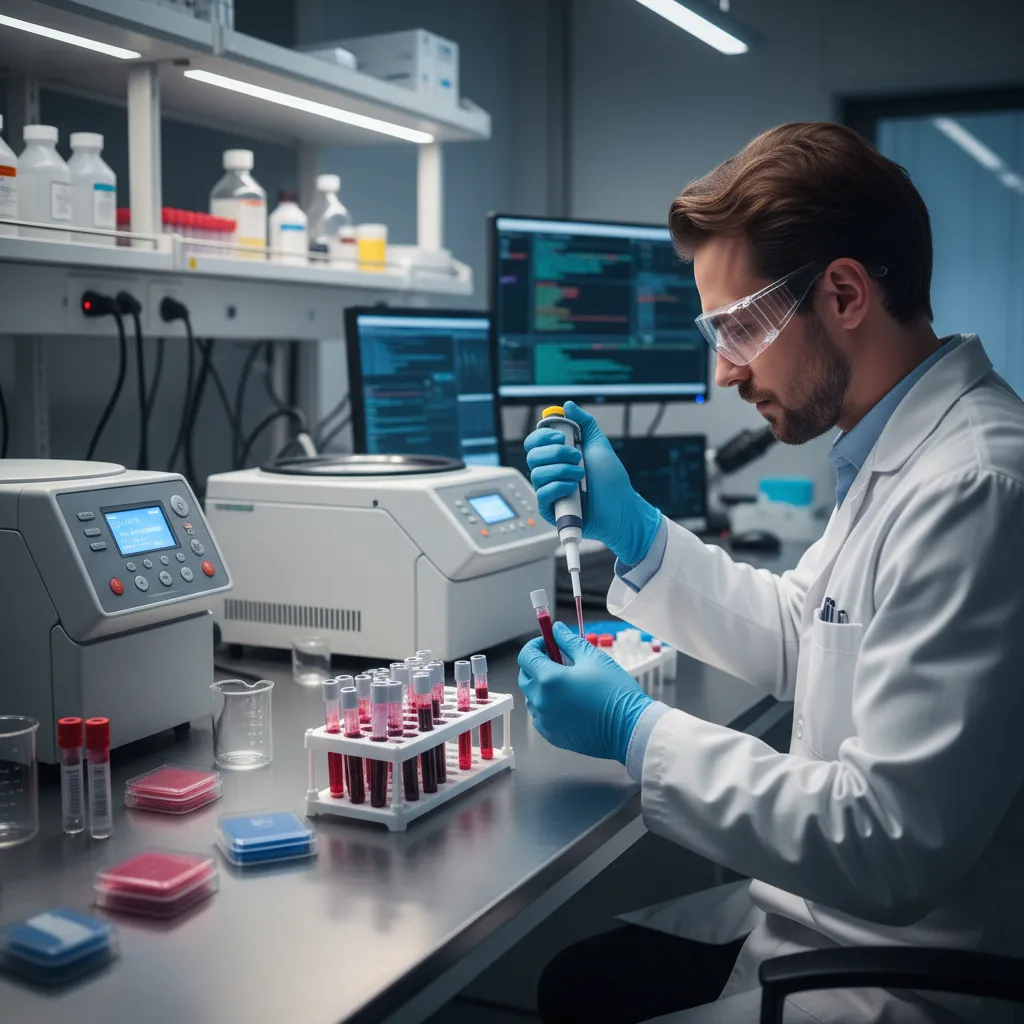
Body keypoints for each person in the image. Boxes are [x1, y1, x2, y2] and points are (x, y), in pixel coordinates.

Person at [518, 122, 1024, 1024]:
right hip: (833, 930)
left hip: (895, 975)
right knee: (574, 982)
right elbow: (808, 630)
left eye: (740, 326)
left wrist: (637, 729)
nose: (724, 372)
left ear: (843, 292)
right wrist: (637, 533)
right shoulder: (896, 445)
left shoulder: (974, 486)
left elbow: (889, 840)